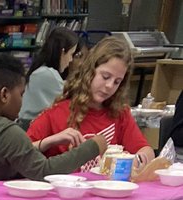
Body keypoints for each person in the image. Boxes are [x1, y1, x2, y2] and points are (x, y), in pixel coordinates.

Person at [0, 54, 107, 187]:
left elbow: (0, 158)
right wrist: (93, 146)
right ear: (4, 95)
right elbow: (45, 172)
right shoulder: (6, 131)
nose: (22, 101)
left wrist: (45, 143)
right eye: (21, 94)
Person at [27, 36, 154, 169]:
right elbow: (19, 152)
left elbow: (145, 150)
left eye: (117, 81)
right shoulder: (56, 113)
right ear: (89, 71)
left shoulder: (120, 113)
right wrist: (49, 141)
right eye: (105, 77)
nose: (110, 85)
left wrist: (138, 160)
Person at [19, 27, 78, 123]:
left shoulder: (42, 70)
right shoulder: (47, 74)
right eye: (71, 54)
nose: (71, 60)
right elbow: (70, 98)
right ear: (62, 52)